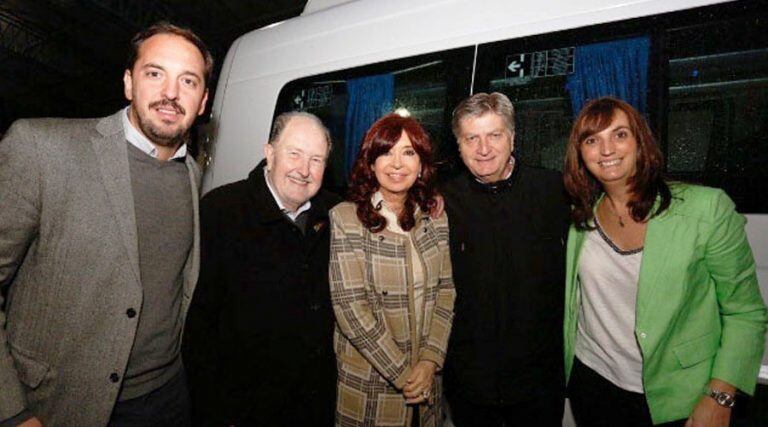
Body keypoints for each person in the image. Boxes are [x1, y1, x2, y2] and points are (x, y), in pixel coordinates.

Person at [0, 22, 212, 426]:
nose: (171, 93)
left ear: (203, 102)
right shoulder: (41, 148)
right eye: (155, 74)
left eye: (188, 81)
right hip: (59, 403)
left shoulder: (193, 175)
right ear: (129, 83)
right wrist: (12, 409)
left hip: (167, 397)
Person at [563, 97, 768, 426]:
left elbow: (745, 312)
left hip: (678, 394)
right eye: (592, 140)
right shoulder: (580, 217)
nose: (606, 150)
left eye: (619, 135)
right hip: (593, 384)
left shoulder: (706, 209)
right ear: (580, 154)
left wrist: (720, 395)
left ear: (639, 141)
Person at [182, 112, 339, 426]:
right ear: (269, 154)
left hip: (312, 408)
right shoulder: (221, 211)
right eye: (294, 154)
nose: (304, 170)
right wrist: (216, 412)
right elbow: (198, 324)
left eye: (316, 159)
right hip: (241, 409)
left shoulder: (337, 216)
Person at [441, 92, 570, 426]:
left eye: (494, 135)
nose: (484, 149)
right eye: (472, 138)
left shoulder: (555, 191)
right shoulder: (443, 202)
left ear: (512, 138)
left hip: (538, 383)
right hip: (470, 383)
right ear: (459, 146)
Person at [329, 113, 455, 426]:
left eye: (408, 152)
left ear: (422, 164)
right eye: (386, 152)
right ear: (370, 163)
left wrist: (429, 361)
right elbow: (350, 309)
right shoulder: (346, 219)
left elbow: (446, 292)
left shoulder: (435, 216)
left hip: (429, 385)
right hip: (372, 384)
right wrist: (405, 375)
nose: (397, 164)